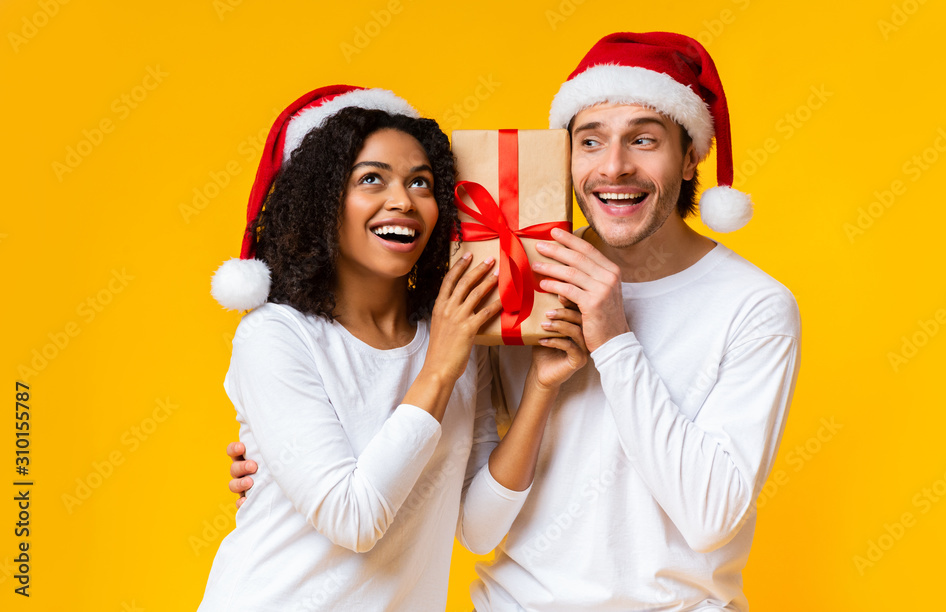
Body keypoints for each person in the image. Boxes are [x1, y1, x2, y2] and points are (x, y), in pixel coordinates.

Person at [232, 32, 800, 611]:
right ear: (566, 156)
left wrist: (612, 340)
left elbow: (710, 518)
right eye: (591, 141)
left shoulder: (754, 305)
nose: (615, 166)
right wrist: (279, 464)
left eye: (645, 140)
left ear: (690, 155)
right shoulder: (510, 281)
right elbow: (451, 511)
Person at [201, 85, 586, 611]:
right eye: (371, 179)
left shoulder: (453, 332)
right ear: (323, 200)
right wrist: (439, 370)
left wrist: (542, 385)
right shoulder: (275, 336)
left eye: (420, 182)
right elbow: (353, 520)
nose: (402, 200)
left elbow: (477, 528)